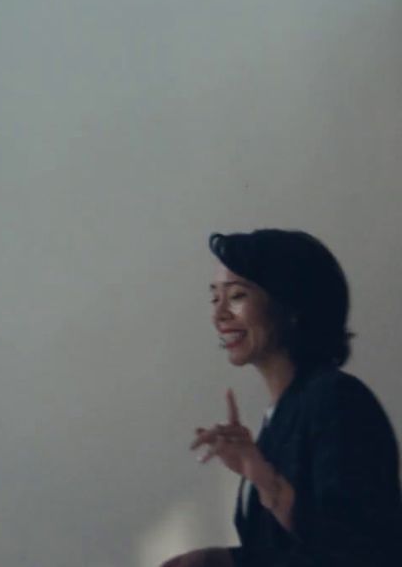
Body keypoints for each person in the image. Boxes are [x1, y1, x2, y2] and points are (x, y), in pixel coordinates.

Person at [161, 229, 402, 567]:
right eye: (215, 298)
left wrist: (266, 481)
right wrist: (216, 559)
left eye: (237, 296)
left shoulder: (337, 400)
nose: (219, 315)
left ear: (291, 305)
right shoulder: (280, 418)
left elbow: (356, 552)